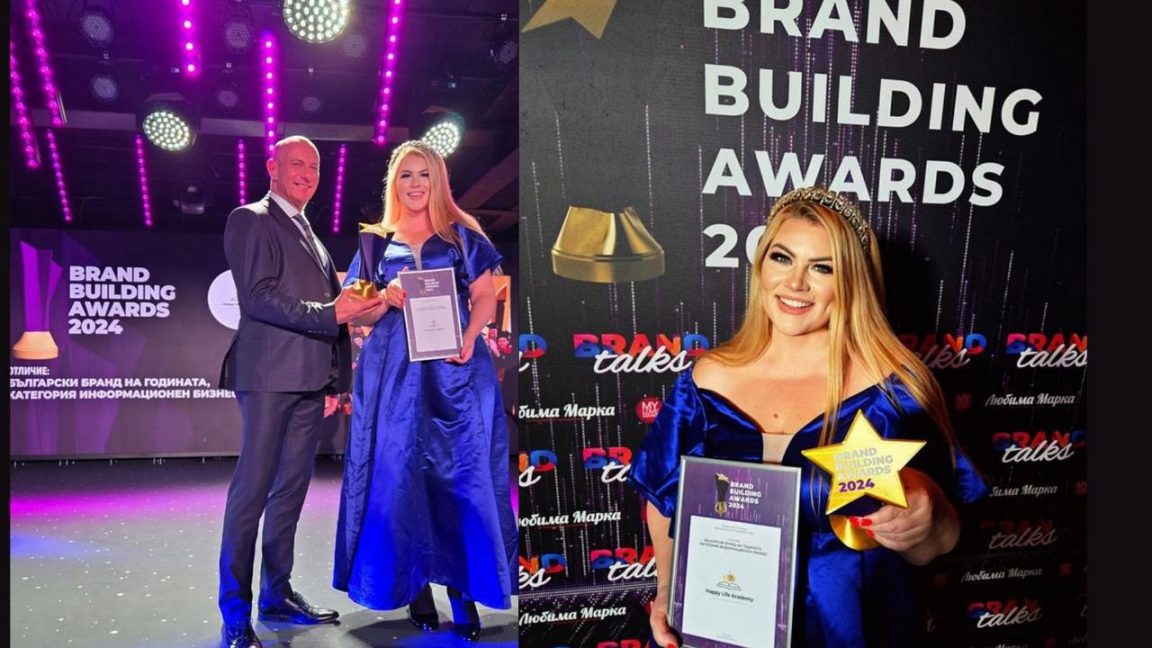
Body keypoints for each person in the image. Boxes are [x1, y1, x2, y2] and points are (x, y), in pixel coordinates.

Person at [629, 186, 987, 647]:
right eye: (782, 258)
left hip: (850, 630)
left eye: (822, 267)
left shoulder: (895, 390)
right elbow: (664, 500)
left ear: (852, 281)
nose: (796, 283)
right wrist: (666, 589)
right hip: (723, 623)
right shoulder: (706, 380)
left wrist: (929, 512)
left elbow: (938, 544)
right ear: (761, 266)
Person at [332, 140, 516, 641]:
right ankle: (413, 588)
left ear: (439, 181)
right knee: (397, 475)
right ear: (394, 183)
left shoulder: (462, 234)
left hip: (455, 368)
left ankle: (463, 591)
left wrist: (470, 336)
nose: (415, 184)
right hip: (393, 371)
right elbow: (358, 313)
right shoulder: (376, 242)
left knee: (461, 477)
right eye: (406, 175)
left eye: (424, 175)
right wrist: (383, 297)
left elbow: (484, 296)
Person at [218, 135, 382, 648]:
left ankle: (276, 594)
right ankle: (235, 613)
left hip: (310, 383)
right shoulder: (250, 218)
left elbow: (332, 312)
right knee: (251, 495)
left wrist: (336, 375)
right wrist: (334, 311)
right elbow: (259, 298)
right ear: (272, 167)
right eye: (296, 164)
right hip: (268, 378)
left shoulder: (310, 232)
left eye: (314, 166)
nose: (307, 173)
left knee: (290, 493)